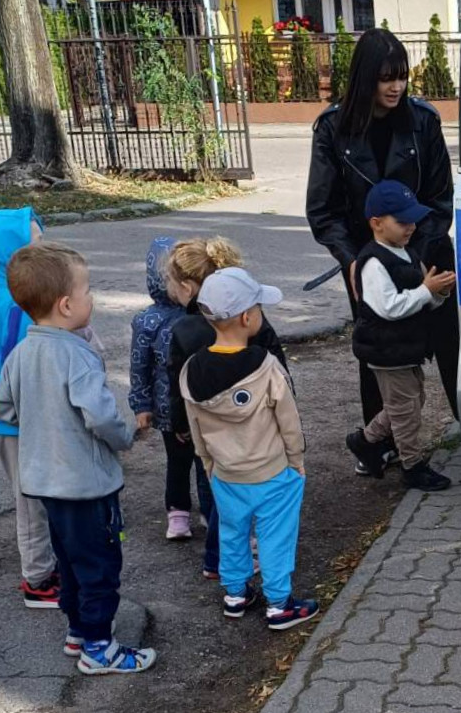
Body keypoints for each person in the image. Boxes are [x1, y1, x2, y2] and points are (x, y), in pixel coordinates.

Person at [306, 28, 461, 472]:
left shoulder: (422, 121)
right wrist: (352, 260)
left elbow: (441, 198)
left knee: (454, 343)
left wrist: (417, 258)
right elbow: (323, 210)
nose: (396, 86)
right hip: (367, 260)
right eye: (386, 77)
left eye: (402, 76)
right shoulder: (332, 128)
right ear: (365, 77)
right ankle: (378, 443)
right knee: (378, 350)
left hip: (427, 250)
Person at [0, 242, 156, 674]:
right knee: (99, 563)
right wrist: (125, 436)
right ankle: (100, 647)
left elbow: (3, 407)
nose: (92, 299)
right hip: (85, 483)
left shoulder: (20, 354)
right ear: (66, 305)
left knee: (67, 559)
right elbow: (100, 416)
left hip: (44, 482)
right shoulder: (77, 355)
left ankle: (78, 630)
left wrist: (41, 420)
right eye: (87, 291)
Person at [178, 267, 319, 631]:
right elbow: (289, 421)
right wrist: (296, 460)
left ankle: (236, 594)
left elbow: (195, 425)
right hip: (272, 471)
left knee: (232, 531)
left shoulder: (192, 370)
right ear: (246, 317)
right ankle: (279, 604)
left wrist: (207, 463)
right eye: (258, 308)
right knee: (275, 536)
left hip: (225, 472)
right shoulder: (266, 367)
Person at [166, 237, 288, 580]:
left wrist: (180, 424)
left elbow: (178, 383)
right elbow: (279, 370)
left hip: (207, 428)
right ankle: (233, 551)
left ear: (188, 288)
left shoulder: (184, 330)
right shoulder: (251, 319)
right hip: (253, 424)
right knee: (247, 491)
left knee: (216, 487)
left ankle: (219, 553)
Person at [347, 180, 456, 492]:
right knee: (406, 411)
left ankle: (365, 440)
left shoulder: (407, 253)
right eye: (402, 221)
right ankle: (413, 466)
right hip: (386, 350)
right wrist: (426, 290)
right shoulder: (373, 262)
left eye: (413, 220)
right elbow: (390, 308)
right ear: (377, 223)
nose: (411, 227)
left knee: (411, 402)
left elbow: (422, 298)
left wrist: (439, 293)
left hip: (406, 348)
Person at [0, 208, 59, 610]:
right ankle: (37, 580)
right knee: (31, 503)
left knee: (37, 498)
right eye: (36, 242)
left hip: (14, 415)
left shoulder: (6, 298)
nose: (46, 247)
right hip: (18, 418)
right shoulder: (17, 307)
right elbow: (23, 369)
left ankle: (44, 567)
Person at [127, 236, 199, 541]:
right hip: (168, 407)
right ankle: (178, 513)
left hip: (199, 403)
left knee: (206, 460)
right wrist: (141, 405)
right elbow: (139, 366)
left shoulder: (199, 312)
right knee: (179, 461)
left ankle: (210, 510)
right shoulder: (147, 321)